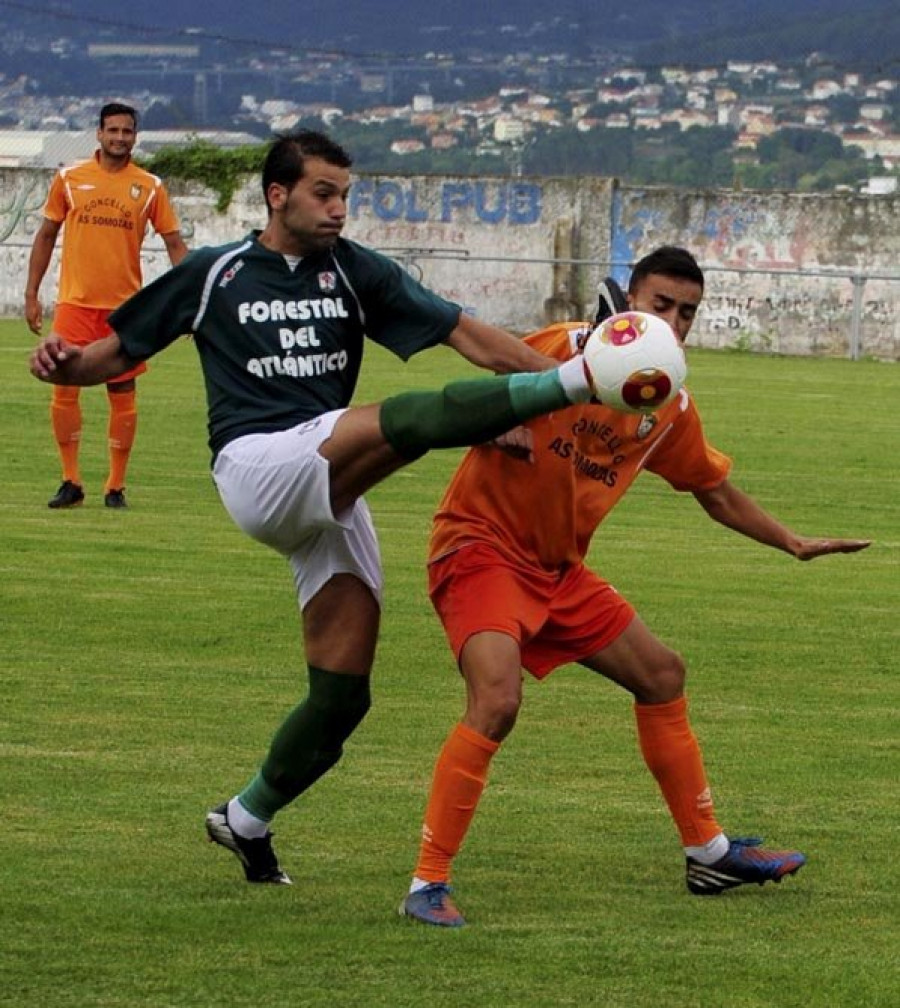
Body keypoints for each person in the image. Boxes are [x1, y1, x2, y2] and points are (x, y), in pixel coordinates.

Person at [29, 128, 600, 887]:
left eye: (345, 196)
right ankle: (537, 401)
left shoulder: (354, 271)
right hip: (259, 466)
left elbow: (465, 334)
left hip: (330, 485)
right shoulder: (215, 272)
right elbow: (116, 351)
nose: (338, 210)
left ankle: (245, 817)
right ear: (278, 195)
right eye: (324, 194)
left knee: (343, 698)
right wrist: (63, 361)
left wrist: (570, 369)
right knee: (402, 417)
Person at [400, 245, 871, 928]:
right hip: (481, 547)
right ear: (629, 302)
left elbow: (715, 492)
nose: (674, 323)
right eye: (661, 305)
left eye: (687, 313)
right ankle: (426, 883)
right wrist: (493, 417)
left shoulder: (668, 406)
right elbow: (482, 372)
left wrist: (791, 542)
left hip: (557, 570)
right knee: (497, 701)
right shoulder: (562, 348)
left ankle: (707, 853)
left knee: (661, 673)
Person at [25, 101, 188, 510]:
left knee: (123, 391)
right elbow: (45, 235)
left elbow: (173, 243)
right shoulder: (69, 178)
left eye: (126, 132)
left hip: (124, 309)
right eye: (112, 130)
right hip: (75, 304)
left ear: (135, 136)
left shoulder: (149, 186)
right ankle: (70, 481)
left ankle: (115, 486)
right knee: (65, 389)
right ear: (98, 134)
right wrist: (32, 293)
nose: (119, 138)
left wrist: (190, 300)